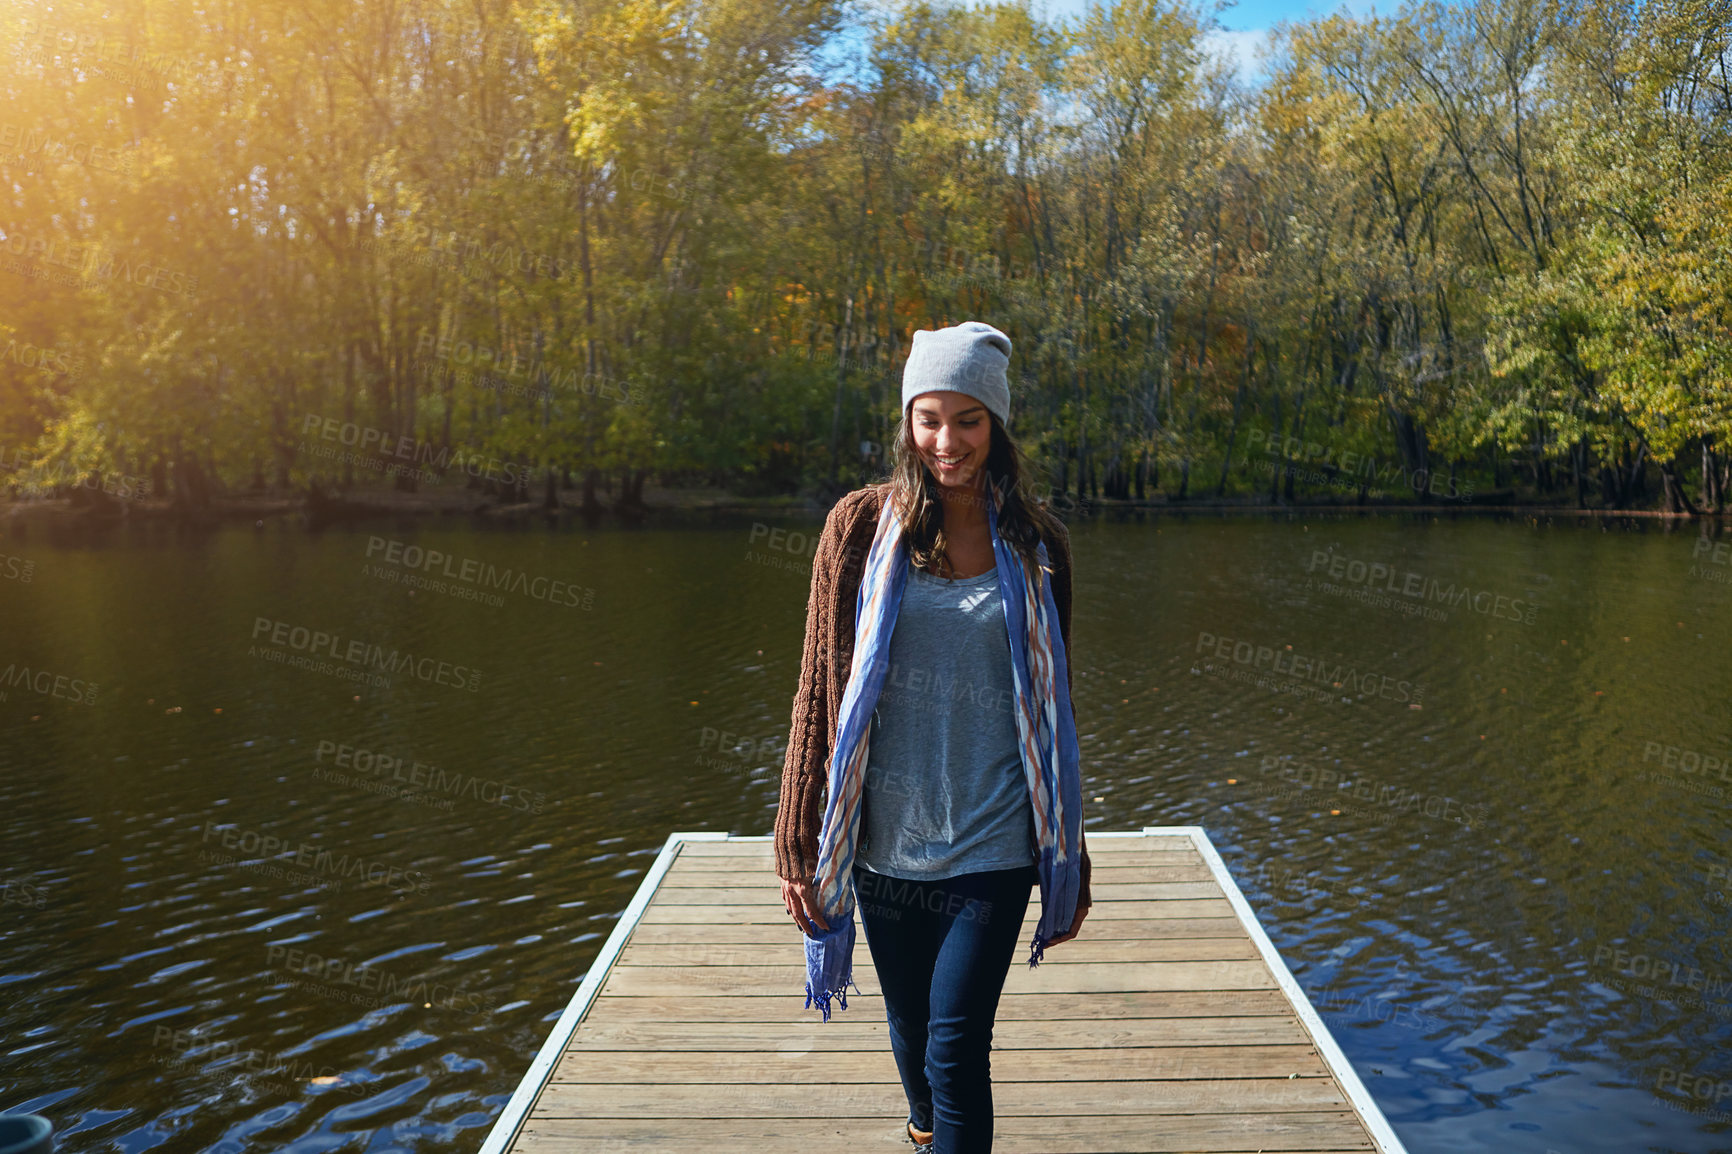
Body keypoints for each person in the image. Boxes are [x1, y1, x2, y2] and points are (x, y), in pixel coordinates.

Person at [773, 320, 1092, 1152]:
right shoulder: (857, 533)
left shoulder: (1040, 548)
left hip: (995, 844)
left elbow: (1055, 713)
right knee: (912, 1039)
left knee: (956, 1052)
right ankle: (923, 1134)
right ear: (908, 423)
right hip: (885, 845)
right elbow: (817, 694)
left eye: (968, 420)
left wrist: (1072, 854)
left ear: (998, 425)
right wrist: (796, 841)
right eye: (929, 419)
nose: (946, 442)